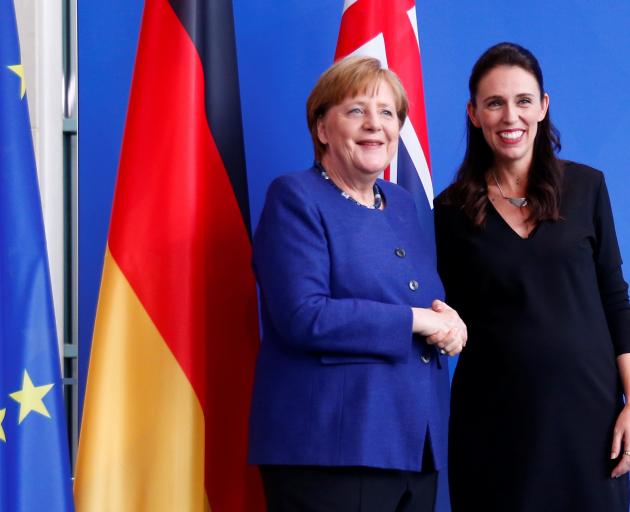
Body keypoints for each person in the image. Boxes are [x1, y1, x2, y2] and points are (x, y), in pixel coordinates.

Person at [248, 56, 467, 511]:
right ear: (322, 128)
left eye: (387, 113)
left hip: (414, 446)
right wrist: (417, 319)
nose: (375, 125)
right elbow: (303, 315)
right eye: (356, 111)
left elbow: (417, 298)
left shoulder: (405, 205)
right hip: (331, 450)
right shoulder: (295, 197)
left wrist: (448, 321)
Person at [434, 42, 630, 511]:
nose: (510, 116)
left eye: (523, 100)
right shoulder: (449, 209)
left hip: (590, 419)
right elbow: (445, 318)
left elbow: (615, 297)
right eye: (494, 103)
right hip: (494, 422)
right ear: (474, 113)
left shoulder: (587, 187)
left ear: (543, 106)